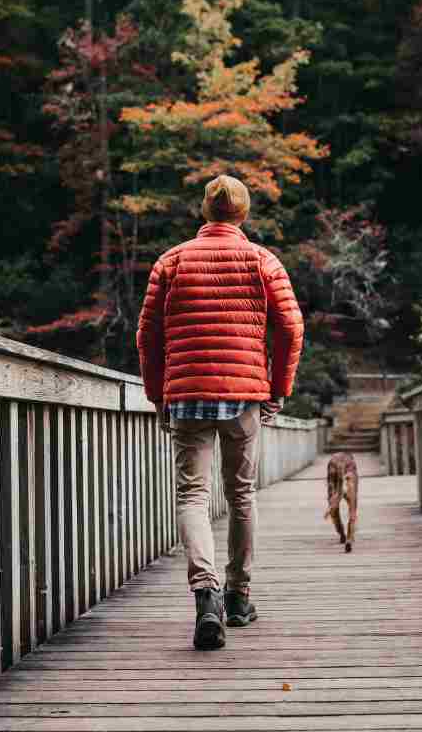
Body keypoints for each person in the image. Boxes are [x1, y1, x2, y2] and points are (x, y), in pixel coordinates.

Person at [136, 174, 304, 650]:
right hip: (243, 396)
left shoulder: (171, 261)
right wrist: (278, 388)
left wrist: (157, 395)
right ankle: (238, 597)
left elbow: (146, 336)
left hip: (187, 396)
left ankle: (205, 594)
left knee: (193, 495)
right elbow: (291, 329)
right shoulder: (262, 260)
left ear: (205, 213)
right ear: (244, 214)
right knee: (241, 494)